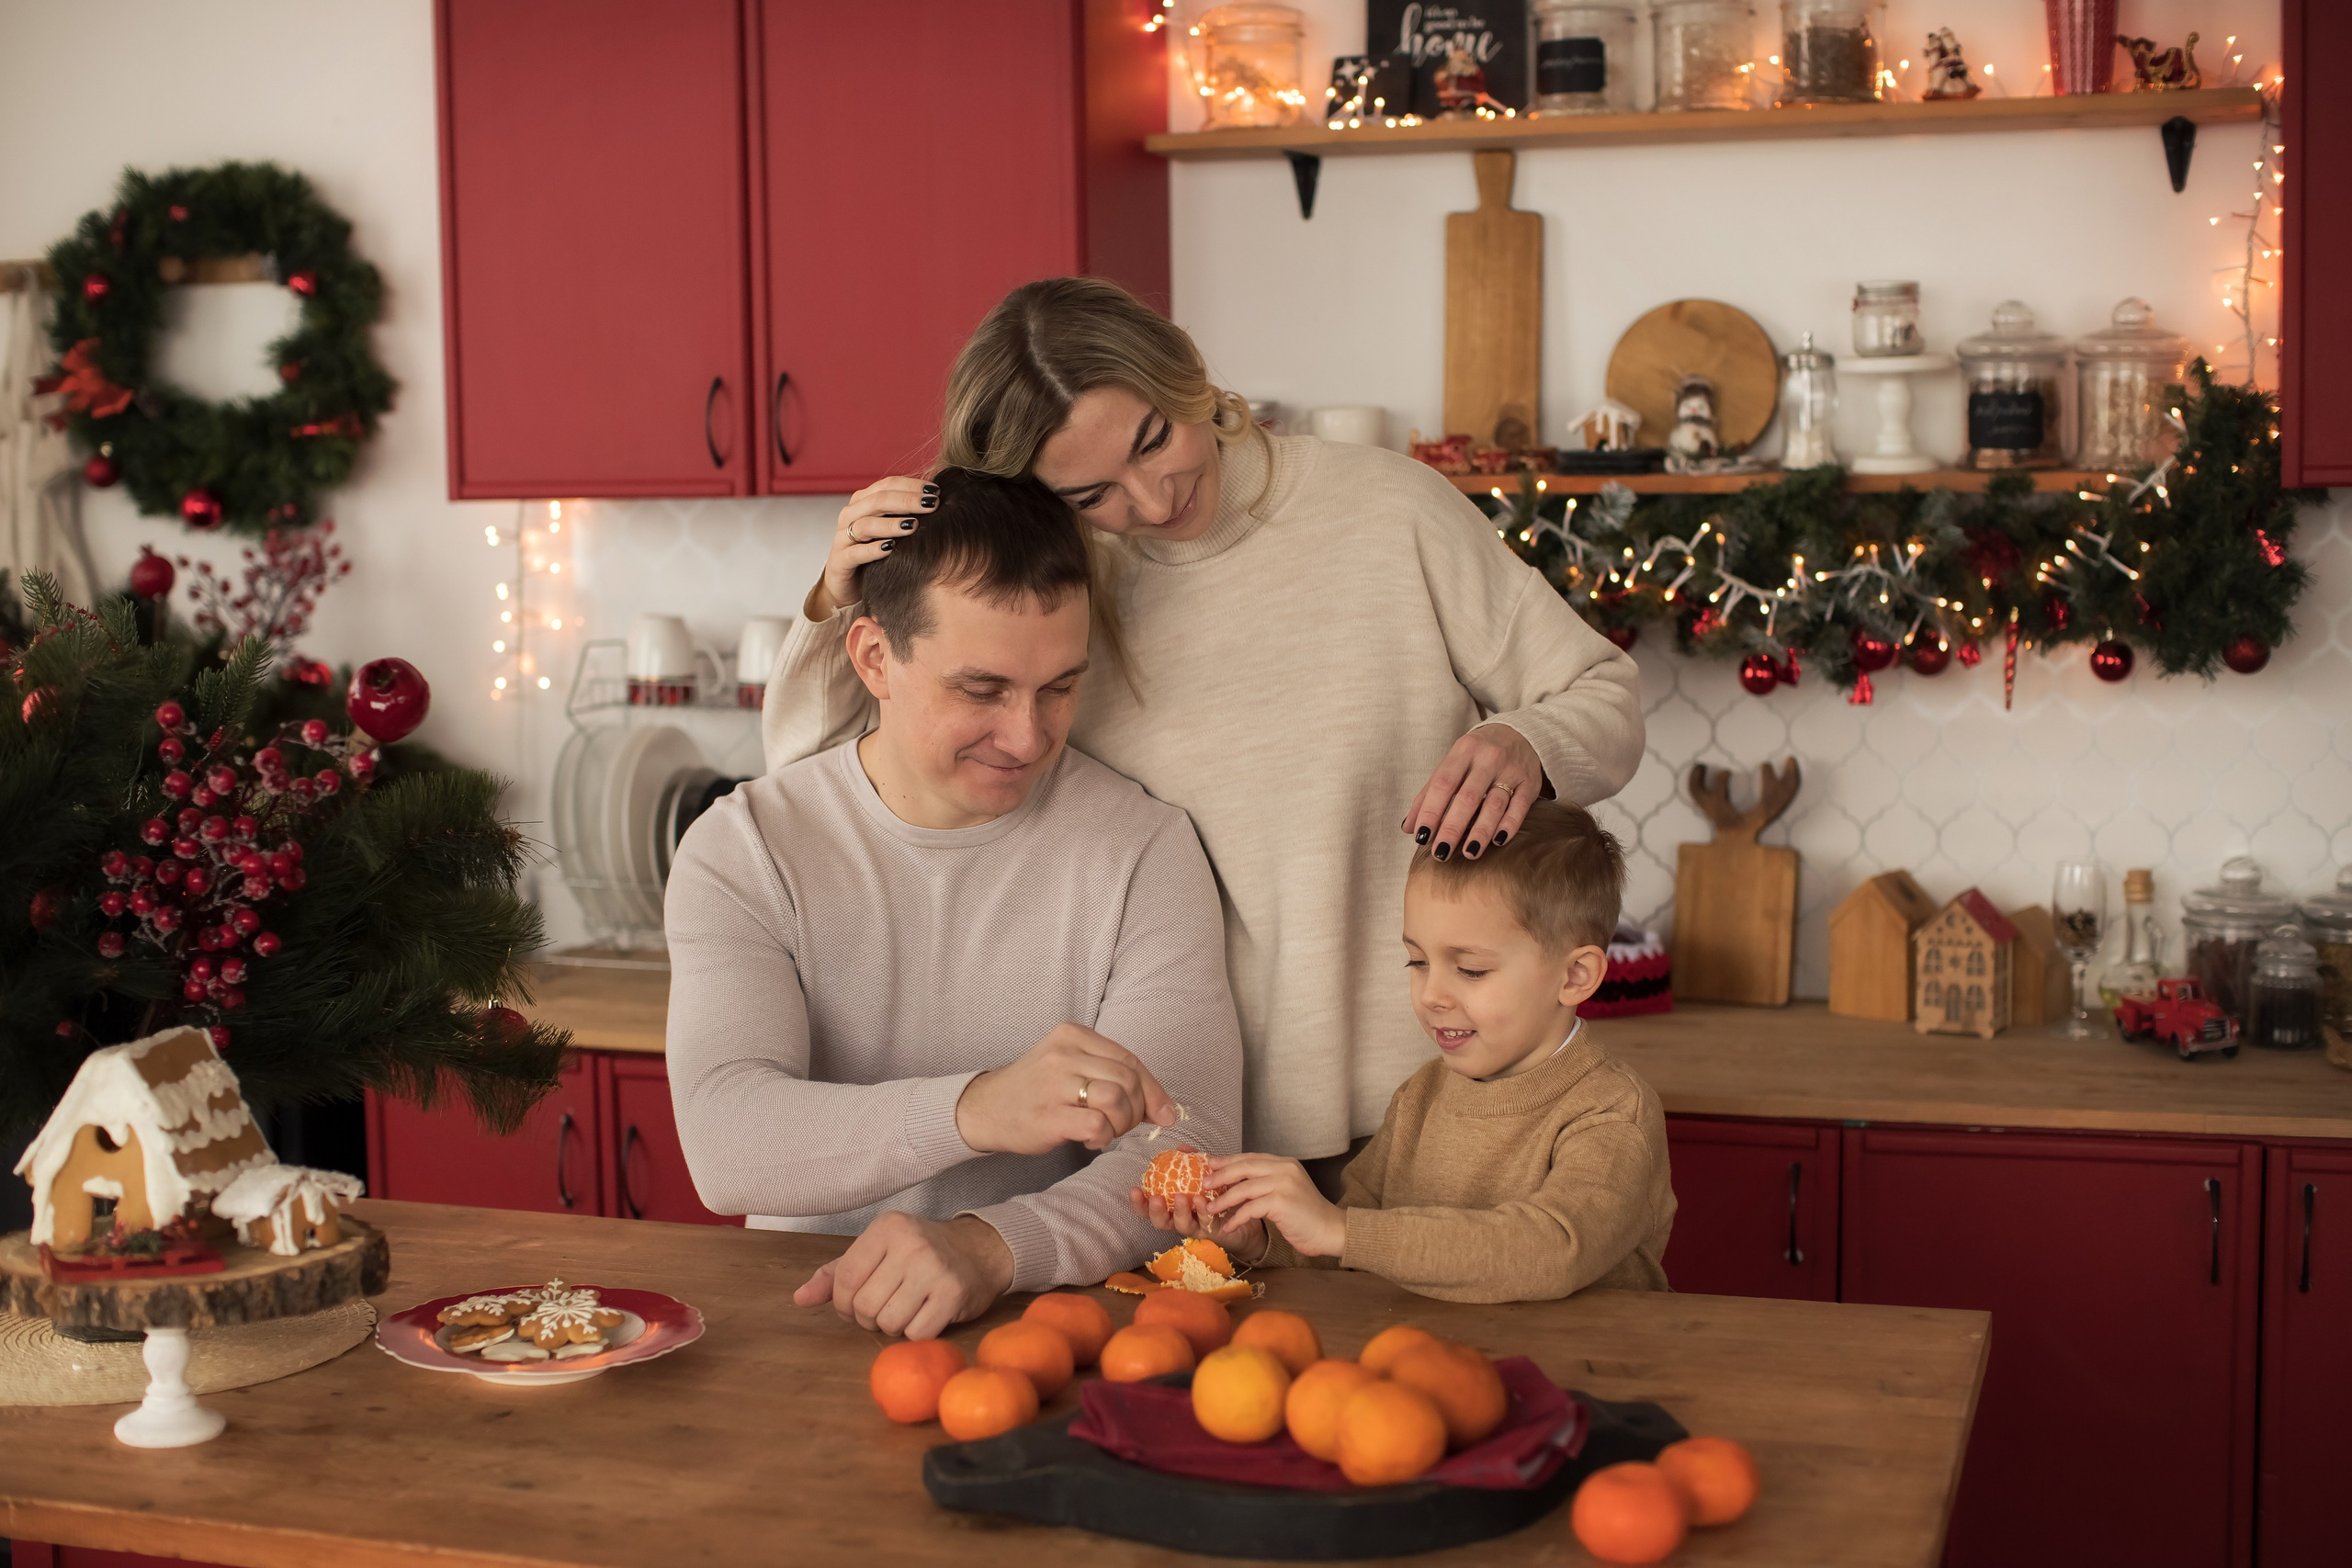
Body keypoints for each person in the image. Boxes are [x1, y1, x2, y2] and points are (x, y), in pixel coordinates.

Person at [762, 277, 1645, 1180]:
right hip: (1177, 1131)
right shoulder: (1058, 601)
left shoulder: (1389, 510)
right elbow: (807, 775)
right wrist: (836, 598)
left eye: (1154, 439)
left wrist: (1530, 742)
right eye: (1093, 490)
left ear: (1185, 375)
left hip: (1432, 1097)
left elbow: (1603, 693)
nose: (1150, 498)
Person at [662, 468, 1241, 1340]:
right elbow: (725, 1141)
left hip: (1054, 1332)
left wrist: (996, 1247)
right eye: (983, 690)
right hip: (807, 1326)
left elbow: (1187, 1144)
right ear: (873, 659)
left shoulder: (1143, 847)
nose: (1027, 736)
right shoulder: (745, 848)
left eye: (1059, 687)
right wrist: (977, 1109)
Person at [1167, 799, 1674, 1304]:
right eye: (1417, 962)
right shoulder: (1420, 1096)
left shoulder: (1612, 1111)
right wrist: (1259, 1237)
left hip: (1582, 1374)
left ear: (1574, 976)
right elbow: (1351, 1249)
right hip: (1429, 1365)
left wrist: (1341, 1229)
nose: (1432, 994)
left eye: (1471, 969)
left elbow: (1552, 1249)